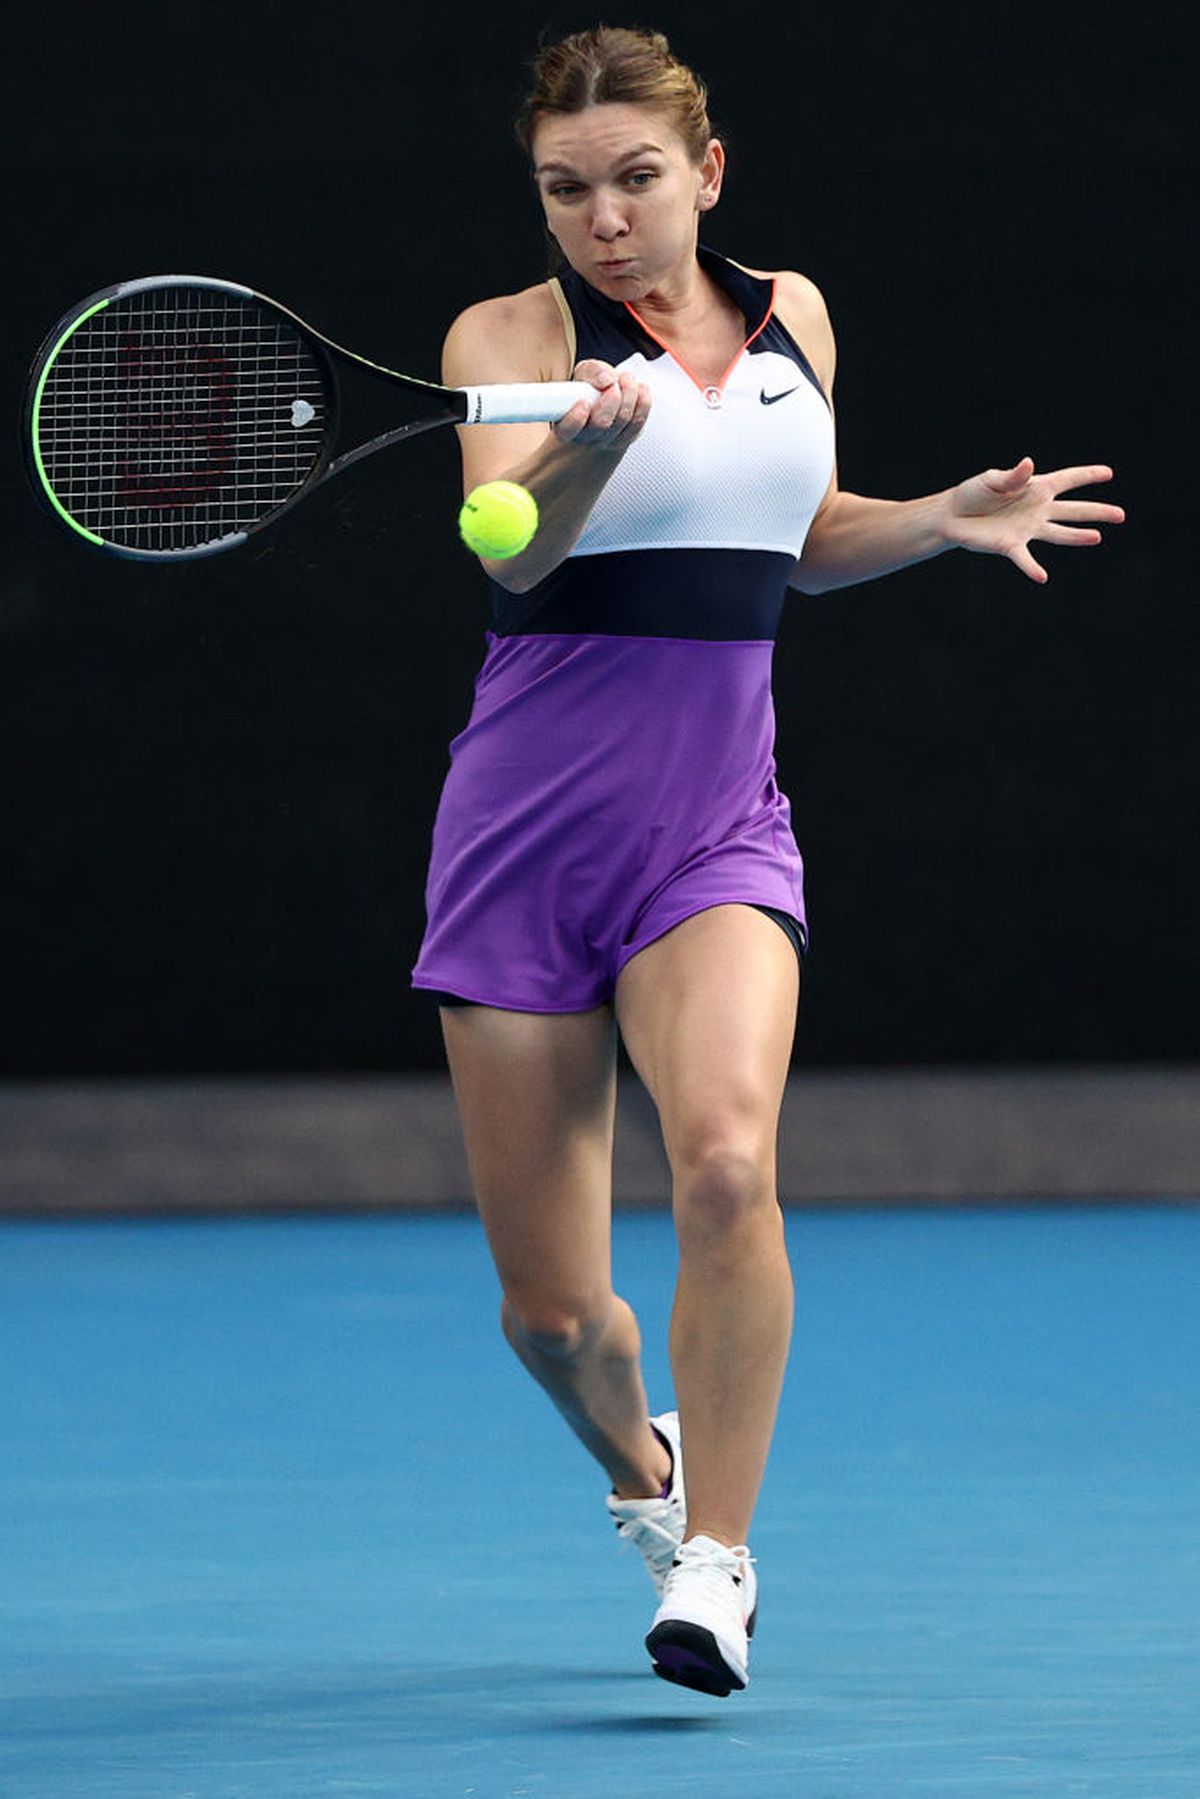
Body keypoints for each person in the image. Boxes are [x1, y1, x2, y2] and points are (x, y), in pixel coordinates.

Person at [411, 26, 1123, 1697]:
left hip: (715, 830)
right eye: (565, 189)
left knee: (728, 1164)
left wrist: (936, 520)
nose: (603, 218)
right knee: (554, 1320)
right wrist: (589, 441)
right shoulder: (506, 340)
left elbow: (790, 541)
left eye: (636, 179)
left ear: (707, 172)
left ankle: (716, 1561)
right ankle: (644, 1472)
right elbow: (514, 557)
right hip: (523, 843)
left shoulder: (795, 315)